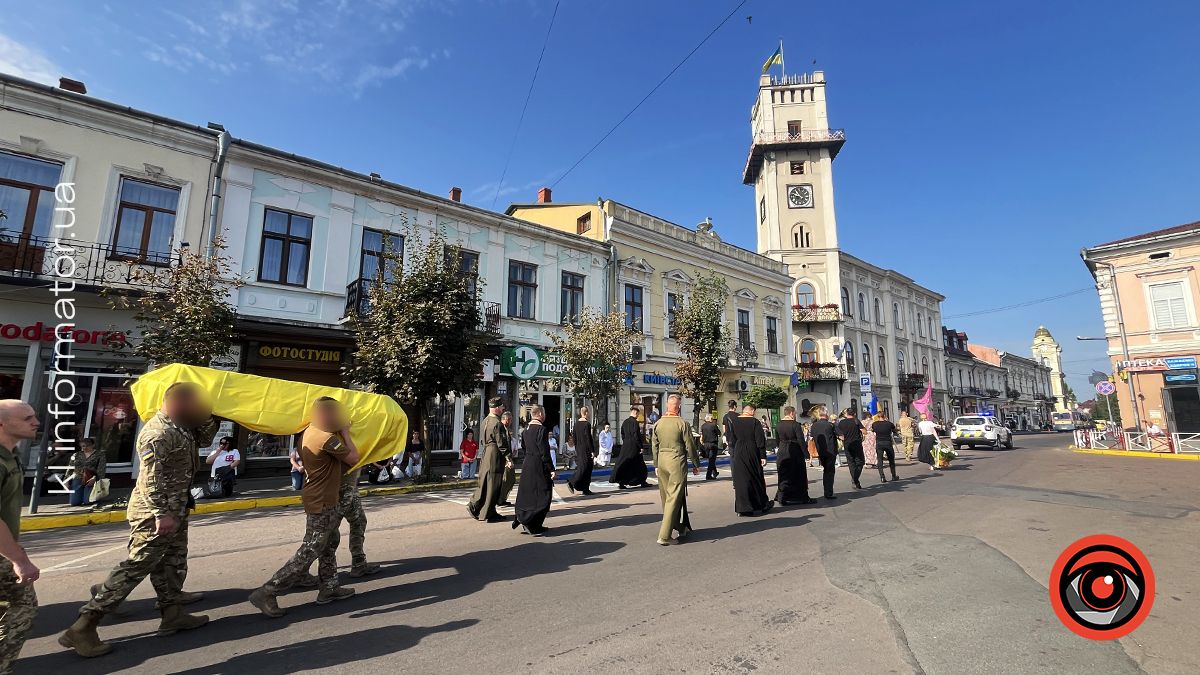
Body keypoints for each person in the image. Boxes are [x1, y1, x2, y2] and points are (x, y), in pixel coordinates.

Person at [61, 382, 218, 657]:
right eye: (195, 405)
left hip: (176, 507)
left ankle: (172, 613)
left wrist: (208, 414)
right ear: (177, 403)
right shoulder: (158, 433)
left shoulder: (182, 426)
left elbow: (204, 439)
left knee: (172, 562)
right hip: (154, 513)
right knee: (137, 566)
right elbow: (149, 480)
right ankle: (84, 625)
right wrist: (161, 513)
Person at [248, 397, 359, 618]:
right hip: (322, 500)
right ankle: (268, 591)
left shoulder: (308, 432)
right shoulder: (328, 439)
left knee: (330, 541)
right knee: (311, 548)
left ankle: (329, 586)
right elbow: (354, 458)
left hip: (317, 496)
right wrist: (346, 432)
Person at [0, 400, 42, 673]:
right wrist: (20, 560)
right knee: (22, 608)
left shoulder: (11, 454)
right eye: (27, 418)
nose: (36, 422)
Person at [651, 394, 701, 545]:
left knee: (667, 498)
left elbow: (654, 446)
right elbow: (690, 445)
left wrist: (656, 465)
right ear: (678, 408)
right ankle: (664, 536)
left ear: (667, 406)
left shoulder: (658, 423)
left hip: (662, 462)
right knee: (674, 497)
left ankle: (680, 526)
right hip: (676, 462)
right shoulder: (682, 423)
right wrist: (696, 463)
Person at [512, 405, 556, 536]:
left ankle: (524, 517)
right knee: (543, 493)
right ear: (540, 414)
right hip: (539, 464)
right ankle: (532, 523)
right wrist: (551, 468)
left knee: (528, 493)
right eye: (544, 413)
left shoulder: (526, 429)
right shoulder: (541, 429)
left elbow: (524, 447)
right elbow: (544, 451)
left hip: (528, 463)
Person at [467, 397, 511, 523]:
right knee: (493, 483)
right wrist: (508, 458)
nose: (503, 409)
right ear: (496, 408)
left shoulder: (485, 420)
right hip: (494, 454)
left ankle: (477, 507)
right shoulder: (497, 423)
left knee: (485, 482)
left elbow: (482, 440)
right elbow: (501, 443)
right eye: (501, 407)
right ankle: (487, 512)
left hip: (486, 452)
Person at [729, 404, 772, 516]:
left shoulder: (734, 421)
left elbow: (731, 439)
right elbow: (760, 440)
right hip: (752, 450)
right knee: (756, 476)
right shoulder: (755, 422)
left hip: (739, 450)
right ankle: (761, 504)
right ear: (752, 411)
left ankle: (742, 508)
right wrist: (763, 456)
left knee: (741, 479)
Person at [774, 406, 816, 505]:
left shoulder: (778, 425)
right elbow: (800, 440)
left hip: (782, 450)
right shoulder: (795, 425)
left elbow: (777, 440)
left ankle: (782, 497)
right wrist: (806, 454)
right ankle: (802, 497)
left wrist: (781, 447)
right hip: (795, 451)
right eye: (795, 413)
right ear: (791, 413)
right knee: (799, 474)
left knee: (784, 474)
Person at [611, 406, 650, 489]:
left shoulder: (625, 422)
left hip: (626, 446)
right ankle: (642, 481)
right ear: (635, 413)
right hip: (635, 447)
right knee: (640, 465)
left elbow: (622, 434)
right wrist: (640, 446)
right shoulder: (635, 422)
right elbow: (636, 435)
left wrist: (626, 442)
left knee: (626, 464)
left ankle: (622, 482)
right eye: (638, 414)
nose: (638, 415)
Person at [808, 406, 838, 500]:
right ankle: (828, 492)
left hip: (821, 451)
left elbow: (812, 437)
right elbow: (841, 435)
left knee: (826, 470)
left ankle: (827, 491)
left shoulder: (813, 426)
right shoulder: (830, 425)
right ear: (826, 414)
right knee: (830, 472)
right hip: (831, 451)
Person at [69, 437, 106, 507]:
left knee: (87, 501)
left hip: (91, 477)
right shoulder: (76, 455)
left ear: (93, 445)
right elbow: (70, 468)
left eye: (87, 446)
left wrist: (95, 478)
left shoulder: (99, 454)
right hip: (78, 477)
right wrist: (66, 480)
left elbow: (101, 469)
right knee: (74, 502)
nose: (85, 448)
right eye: (83, 446)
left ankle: (95, 495)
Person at [567, 406, 596, 496]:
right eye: (588, 412)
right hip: (586, 449)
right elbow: (588, 438)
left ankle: (585, 488)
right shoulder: (587, 424)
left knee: (586, 467)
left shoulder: (576, 424)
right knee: (585, 467)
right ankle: (572, 481)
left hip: (579, 448)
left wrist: (577, 447)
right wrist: (592, 451)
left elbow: (574, 437)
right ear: (586, 413)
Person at [835, 408, 866, 490]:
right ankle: (855, 479)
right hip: (857, 444)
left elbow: (839, 434)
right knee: (860, 462)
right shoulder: (856, 421)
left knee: (851, 462)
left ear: (846, 414)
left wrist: (842, 438)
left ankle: (855, 481)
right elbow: (864, 432)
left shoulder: (841, 422)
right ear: (854, 414)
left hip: (847, 445)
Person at [872, 412, 899, 483]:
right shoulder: (889, 424)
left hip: (879, 443)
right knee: (891, 460)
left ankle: (882, 477)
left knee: (880, 460)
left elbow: (873, 430)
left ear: (878, 417)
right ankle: (893, 476)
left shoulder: (874, 424)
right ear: (884, 416)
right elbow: (895, 431)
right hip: (888, 442)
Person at [498, 411, 518, 507]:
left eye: (511, 420)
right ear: (505, 419)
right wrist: (507, 459)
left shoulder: (506, 430)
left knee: (511, 479)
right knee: (506, 479)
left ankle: (503, 498)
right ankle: (500, 499)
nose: (510, 422)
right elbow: (502, 446)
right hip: (504, 459)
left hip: (509, 458)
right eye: (509, 420)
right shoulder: (501, 429)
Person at [699, 413, 721, 480]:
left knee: (711, 459)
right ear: (711, 419)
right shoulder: (714, 425)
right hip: (713, 444)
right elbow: (719, 433)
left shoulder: (703, 426)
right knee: (712, 460)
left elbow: (702, 435)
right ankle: (708, 475)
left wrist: (701, 441)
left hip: (706, 444)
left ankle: (715, 472)